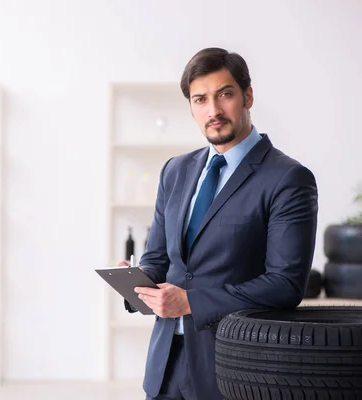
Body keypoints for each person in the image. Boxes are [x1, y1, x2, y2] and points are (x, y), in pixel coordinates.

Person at [119, 47, 319, 400]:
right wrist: (137, 281)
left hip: (234, 366)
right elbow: (160, 259)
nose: (213, 111)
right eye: (200, 100)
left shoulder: (288, 178)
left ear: (248, 96)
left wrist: (191, 302)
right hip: (165, 365)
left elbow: (285, 284)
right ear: (192, 108)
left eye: (224, 94)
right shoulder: (175, 171)